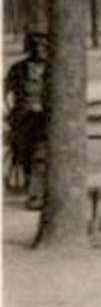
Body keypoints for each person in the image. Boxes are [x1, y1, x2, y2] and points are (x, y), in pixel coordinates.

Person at [5, 32, 50, 208]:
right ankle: (33, 188)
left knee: (40, 155)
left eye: (43, 46)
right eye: (35, 46)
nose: (39, 50)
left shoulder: (52, 69)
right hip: (23, 119)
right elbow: (7, 94)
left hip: (44, 120)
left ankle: (36, 195)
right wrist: (11, 112)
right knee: (24, 155)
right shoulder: (18, 69)